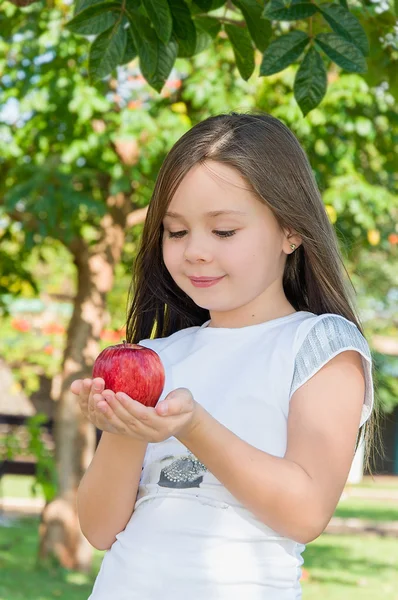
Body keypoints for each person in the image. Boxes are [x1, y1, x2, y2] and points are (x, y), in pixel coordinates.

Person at [71, 112, 375, 600]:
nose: (195, 252)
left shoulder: (320, 345)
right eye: (175, 231)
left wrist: (193, 426)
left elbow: (306, 513)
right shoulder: (154, 355)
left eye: (224, 232)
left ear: (290, 231)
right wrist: (127, 428)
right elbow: (101, 529)